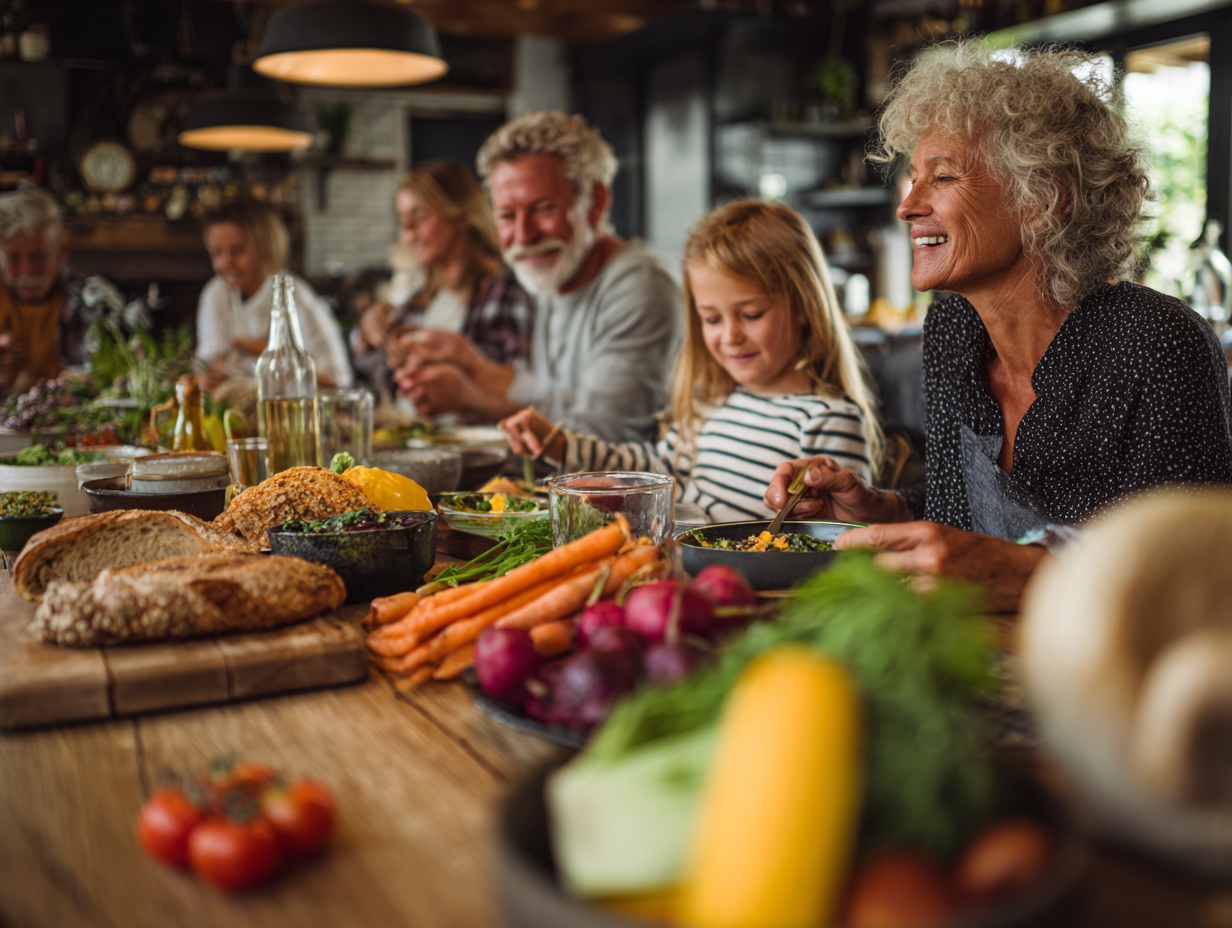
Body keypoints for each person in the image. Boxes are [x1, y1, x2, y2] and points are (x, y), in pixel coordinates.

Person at [767, 42, 1232, 610]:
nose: (908, 206)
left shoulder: (1155, 344)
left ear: (1043, 200)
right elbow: (962, 523)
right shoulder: (952, 328)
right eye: (912, 178)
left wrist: (1031, 574)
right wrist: (883, 511)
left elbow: (1199, 575)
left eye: (942, 177)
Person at [502, 199, 880, 522]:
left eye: (751, 315)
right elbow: (656, 470)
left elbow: (836, 538)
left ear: (803, 306)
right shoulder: (712, 403)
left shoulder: (829, 418)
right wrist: (560, 445)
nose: (729, 336)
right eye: (712, 319)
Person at [393, 111, 681, 442]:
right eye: (506, 215)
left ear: (596, 202)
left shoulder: (640, 283)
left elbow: (604, 434)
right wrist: (473, 367)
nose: (524, 235)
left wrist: (470, 396)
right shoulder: (553, 277)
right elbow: (557, 398)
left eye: (544, 208)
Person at [352, 161, 534, 403]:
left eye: (421, 215)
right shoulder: (422, 298)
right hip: (415, 435)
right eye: (402, 218)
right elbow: (374, 376)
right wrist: (370, 332)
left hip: (474, 437)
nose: (407, 230)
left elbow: (518, 387)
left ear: (462, 217)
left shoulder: (505, 289)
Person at [196, 201, 352, 392]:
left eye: (237, 251)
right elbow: (209, 362)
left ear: (265, 247)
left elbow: (339, 380)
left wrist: (272, 356)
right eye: (216, 253)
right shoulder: (215, 293)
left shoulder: (295, 296)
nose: (226, 263)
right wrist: (209, 377)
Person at [0, 188, 86, 395]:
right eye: (13, 258)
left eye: (37, 257)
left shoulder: (89, 302)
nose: (26, 271)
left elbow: (102, 382)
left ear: (62, 251)